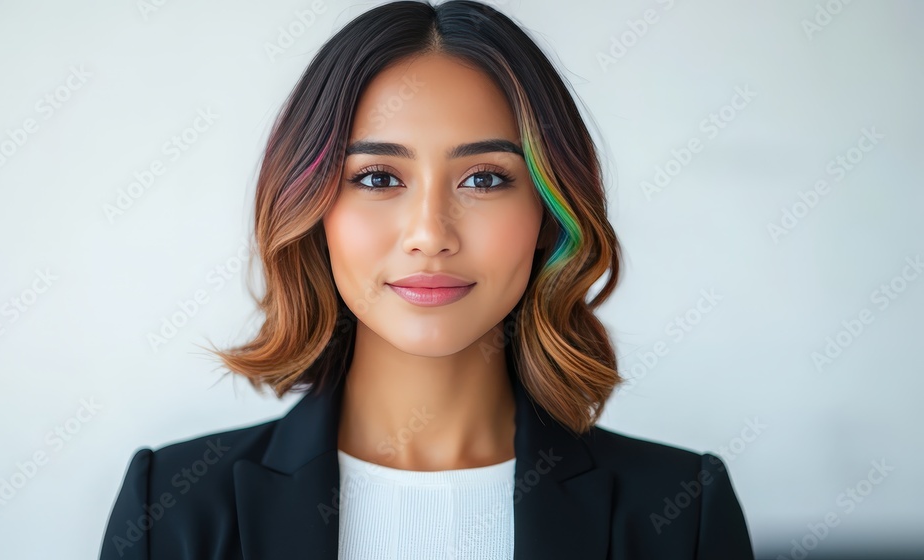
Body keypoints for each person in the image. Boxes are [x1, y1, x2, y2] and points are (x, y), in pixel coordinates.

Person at [98, 1, 755, 558]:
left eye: (485, 179)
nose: (430, 232)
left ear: (549, 216)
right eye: (379, 178)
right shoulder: (173, 510)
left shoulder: (681, 513)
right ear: (310, 211)